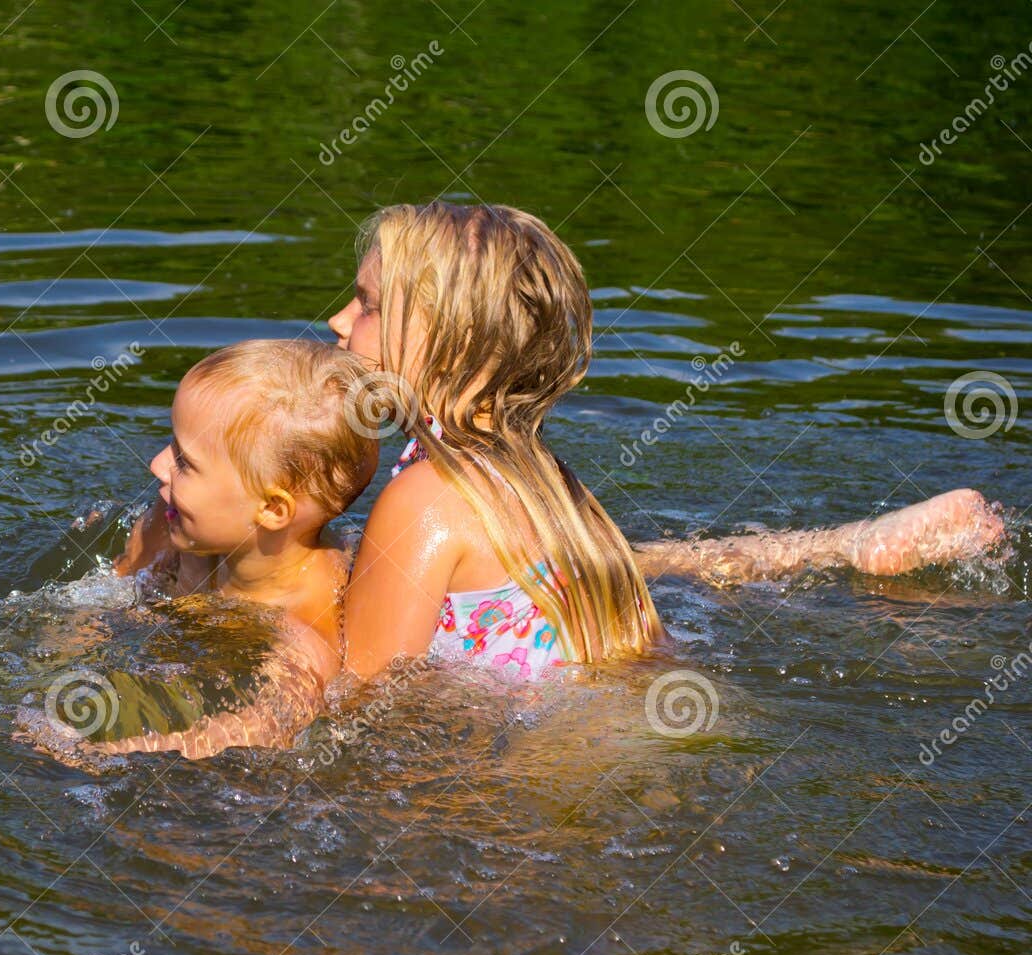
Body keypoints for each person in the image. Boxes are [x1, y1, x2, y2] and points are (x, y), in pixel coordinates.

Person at [324, 201, 1004, 679]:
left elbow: (367, 700)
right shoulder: (540, 478)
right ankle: (837, 546)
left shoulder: (422, 500)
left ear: (458, 341)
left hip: (547, 772)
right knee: (636, 559)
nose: (337, 319)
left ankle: (841, 544)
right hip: (636, 707)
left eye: (370, 305)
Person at [70, 338, 381, 758]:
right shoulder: (176, 522)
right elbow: (101, 595)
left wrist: (108, 748)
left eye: (185, 461)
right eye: (172, 443)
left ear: (271, 509)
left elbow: (261, 730)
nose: (158, 464)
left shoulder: (302, 636)